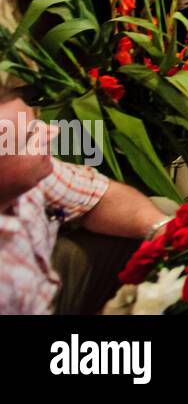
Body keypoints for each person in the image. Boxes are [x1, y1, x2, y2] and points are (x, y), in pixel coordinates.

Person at [0, 85, 169, 314]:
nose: (52, 132)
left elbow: (99, 196)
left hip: (44, 287)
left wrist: (163, 231)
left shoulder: (36, 176)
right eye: (31, 136)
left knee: (162, 213)